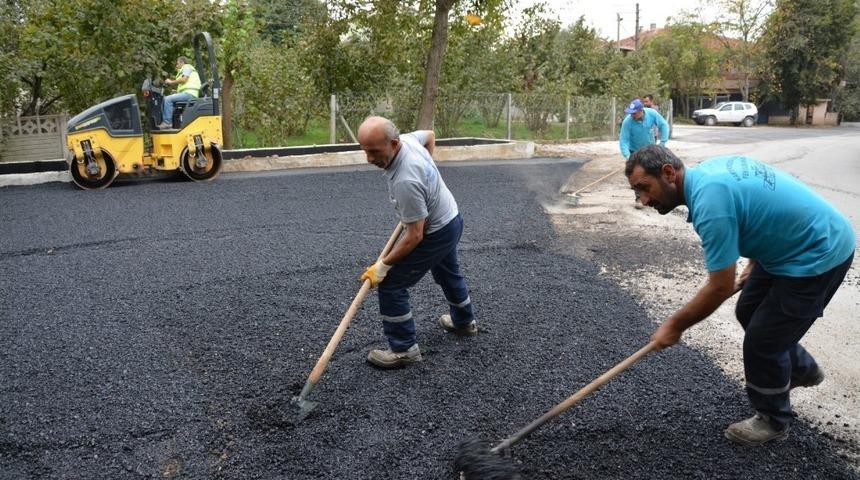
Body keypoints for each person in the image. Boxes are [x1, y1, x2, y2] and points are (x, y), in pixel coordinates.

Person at [625, 145, 855, 446]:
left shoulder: (710, 205)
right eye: (636, 192)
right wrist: (754, 259)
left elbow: (719, 286)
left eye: (644, 188)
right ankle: (802, 370)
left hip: (817, 252)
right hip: (785, 249)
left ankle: (773, 421)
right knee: (748, 310)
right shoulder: (707, 174)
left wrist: (675, 325)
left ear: (669, 173)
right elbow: (761, 207)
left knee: (762, 342)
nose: (643, 199)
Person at [357, 116, 477, 369]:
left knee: (391, 285)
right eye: (365, 151)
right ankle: (465, 322)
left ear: (393, 143)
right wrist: (428, 177)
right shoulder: (410, 140)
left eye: (374, 151)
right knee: (448, 274)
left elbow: (414, 236)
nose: (369, 159)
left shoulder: (406, 180)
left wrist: (383, 266)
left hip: (436, 231)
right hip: (452, 218)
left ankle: (403, 349)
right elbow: (430, 135)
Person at [620, 98, 669, 209]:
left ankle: (655, 196)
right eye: (630, 113)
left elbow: (664, 125)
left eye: (634, 113)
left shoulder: (652, 114)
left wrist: (662, 143)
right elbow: (624, 140)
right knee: (637, 175)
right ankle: (639, 198)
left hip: (649, 149)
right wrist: (627, 155)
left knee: (654, 172)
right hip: (634, 151)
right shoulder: (628, 122)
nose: (632, 115)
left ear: (641, 110)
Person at [158, 56, 201, 129]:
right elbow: (185, 85)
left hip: (189, 94)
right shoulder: (185, 70)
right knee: (168, 99)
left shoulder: (187, 67)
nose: (176, 65)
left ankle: (167, 123)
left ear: (182, 62)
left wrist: (171, 82)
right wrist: (176, 92)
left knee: (168, 99)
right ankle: (175, 124)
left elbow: (184, 79)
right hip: (188, 93)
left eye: (177, 63)